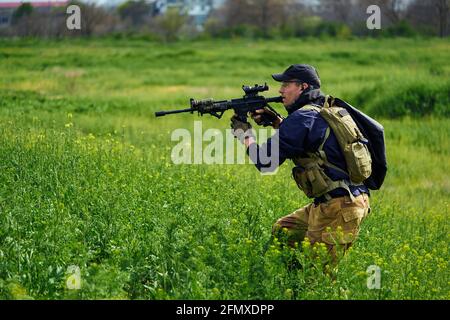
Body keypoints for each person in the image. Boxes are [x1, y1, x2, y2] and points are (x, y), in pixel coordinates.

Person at [230, 64, 371, 261]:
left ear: (303, 87)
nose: (280, 90)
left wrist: (244, 134)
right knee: (283, 231)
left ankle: (301, 288)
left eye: (286, 85)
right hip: (343, 200)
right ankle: (287, 283)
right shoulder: (323, 109)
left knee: (317, 279)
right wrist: (277, 122)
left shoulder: (302, 117)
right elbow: (309, 140)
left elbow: (265, 162)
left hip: (339, 207)